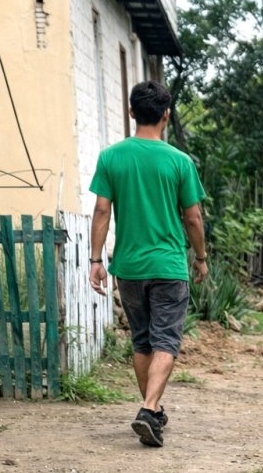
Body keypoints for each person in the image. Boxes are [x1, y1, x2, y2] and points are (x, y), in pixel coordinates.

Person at [88, 80, 208, 448]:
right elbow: (193, 218)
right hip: (169, 266)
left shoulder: (111, 158)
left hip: (129, 267)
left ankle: (152, 412)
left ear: (130, 112)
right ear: (166, 115)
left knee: (142, 342)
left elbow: (102, 210)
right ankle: (149, 406)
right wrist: (201, 258)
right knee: (166, 340)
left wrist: (96, 259)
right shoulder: (179, 161)